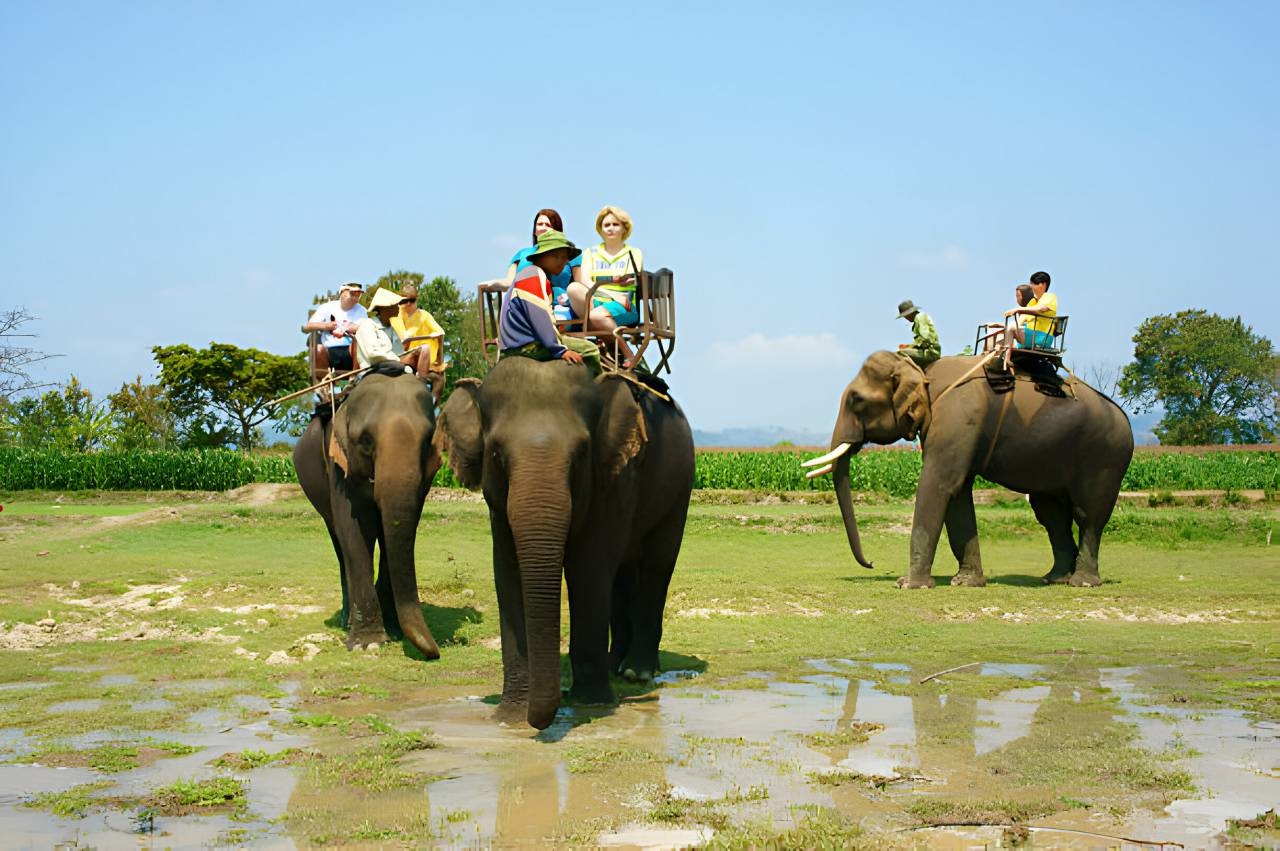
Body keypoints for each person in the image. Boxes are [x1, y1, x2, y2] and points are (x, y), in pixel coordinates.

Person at [499, 229, 601, 374]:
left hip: (514, 344)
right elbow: (540, 316)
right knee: (590, 349)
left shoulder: (530, 276)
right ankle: (595, 392)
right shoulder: (533, 275)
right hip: (526, 346)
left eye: (565, 258)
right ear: (541, 257)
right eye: (555, 256)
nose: (562, 261)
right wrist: (559, 350)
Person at [568, 205, 643, 365]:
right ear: (600, 229)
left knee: (596, 315)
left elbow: (627, 279)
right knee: (573, 288)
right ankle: (605, 340)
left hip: (624, 304)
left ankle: (627, 353)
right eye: (606, 225)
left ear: (624, 228)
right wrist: (610, 292)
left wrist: (603, 285)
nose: (610, 229)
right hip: (599, 298)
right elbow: (586, 281)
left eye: (615, 225)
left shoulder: (633, 253)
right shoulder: (590, 253)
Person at [504, 209, 587, 320]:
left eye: (548, 224)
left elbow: (580, 284)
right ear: (534, 230)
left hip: (561, 305)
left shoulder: (570, 254)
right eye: (539, 224)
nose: (543, 228)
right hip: (528, 303)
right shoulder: (522, 254)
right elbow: (509, 282)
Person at [304, 283, 368, 380]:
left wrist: (352, 328)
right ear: (342, 292)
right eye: (353, 293)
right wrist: (326, 326)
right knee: (318, 349)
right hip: (329, 350)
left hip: (351, 351)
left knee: (359, 342)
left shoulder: (361, 310)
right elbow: (309, 326)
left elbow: (365, 326)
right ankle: (324, 383)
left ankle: (354, 377)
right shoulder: (326, 307)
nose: (356, 296)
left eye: (358, 293)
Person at [391, 284, 446, 377]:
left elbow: (440, 333)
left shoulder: (424, 315)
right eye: (405, 300)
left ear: (417, 299)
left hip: (421, 356)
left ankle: (422, 380)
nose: (408, 303)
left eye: (412, 300)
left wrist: (439, 360)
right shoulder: (396, 314)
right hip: (400, 355)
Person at [1003, 271, 1057, 350]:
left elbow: (1041, 309)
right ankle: (1000, 356)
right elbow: (1019, 322)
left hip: (1042, 337)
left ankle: (1006, 358)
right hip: (1031, 334)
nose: (1031, 286)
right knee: (1000, 330)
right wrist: (1001, 326)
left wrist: (1018, 309)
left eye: (1033, 284)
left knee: (1011, 328)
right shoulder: (1033, 302)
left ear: (1043, 285)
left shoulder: (1050, 297)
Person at [896, 299, 940, 367]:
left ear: (909, 313)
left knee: (900, 353)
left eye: (905, 316)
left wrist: (910, 346)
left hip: (930, 352)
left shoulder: (920, 318)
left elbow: (926, 338)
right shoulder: (920, 317)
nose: (905, 318)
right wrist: (909, 346)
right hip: (928, 351)